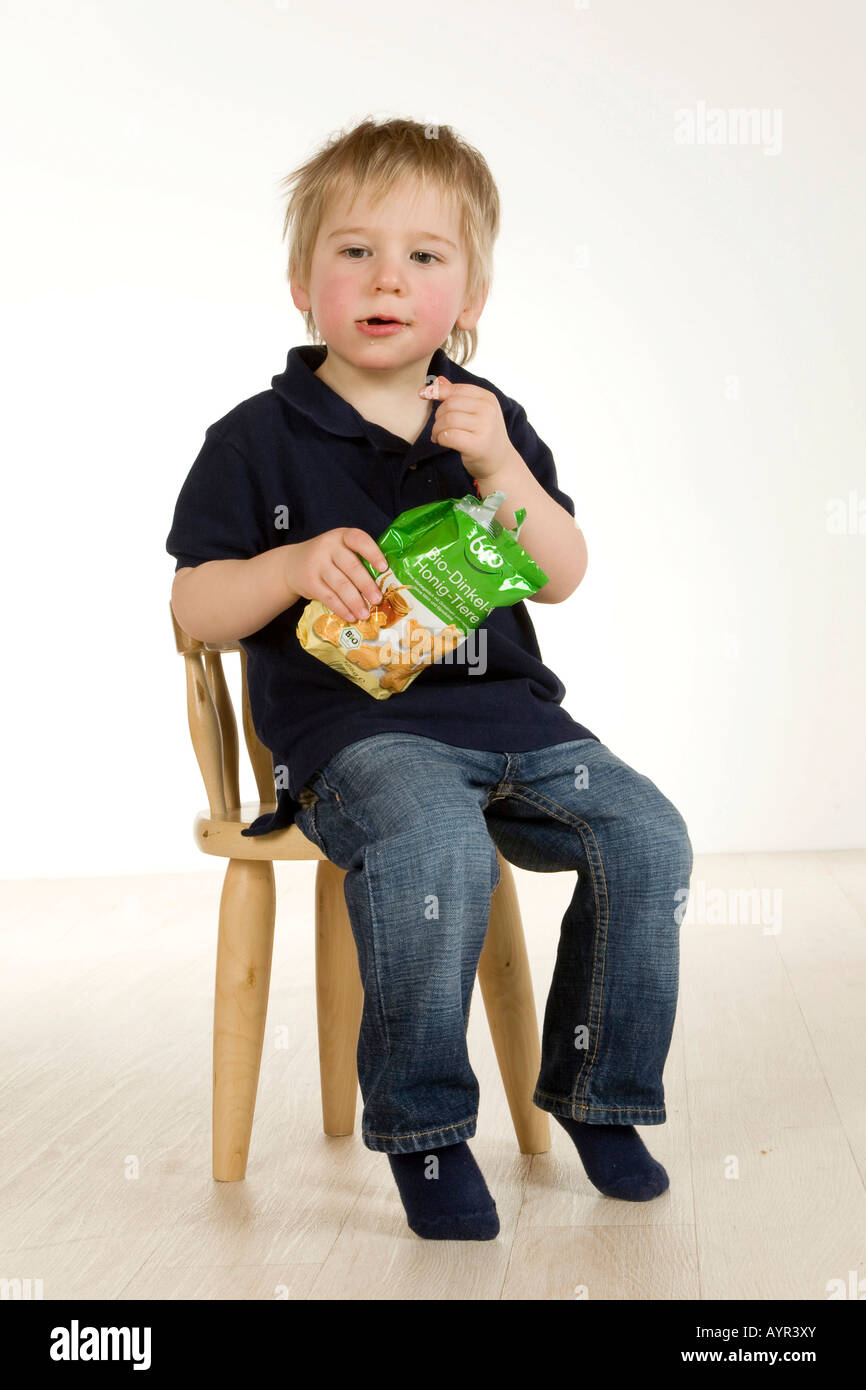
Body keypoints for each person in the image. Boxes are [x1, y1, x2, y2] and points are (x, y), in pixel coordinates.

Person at [166, 116, 694, 1242]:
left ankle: (598, 1091)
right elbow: (192, 608)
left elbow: (559, 577)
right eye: (352, 251)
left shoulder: (487, 424)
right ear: (301, 284)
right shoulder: (257, 437)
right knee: (436, 849)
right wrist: (288, 564)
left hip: (517, 725)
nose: (384, 279)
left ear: (470, 297)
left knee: (647, 836)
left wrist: (498, 463)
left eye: (423, 256)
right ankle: (424, 1129)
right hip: (359, 742)